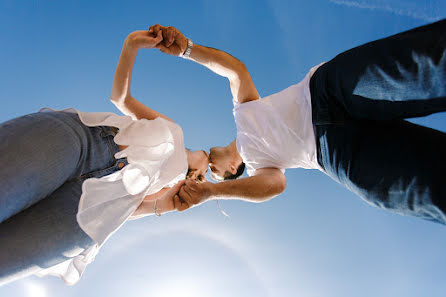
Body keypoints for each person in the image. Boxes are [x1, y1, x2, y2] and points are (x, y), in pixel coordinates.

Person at [149, 19, 446, 225]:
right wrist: (212, 192)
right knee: (425, 189)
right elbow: (275, 185)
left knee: (424, 68)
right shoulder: (260, 169)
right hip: (333, 154)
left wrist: (187, 49)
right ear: (232, 171)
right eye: (213, 176)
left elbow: (235, 71)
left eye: (209, 174)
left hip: (326, 93)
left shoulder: (243, 113)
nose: (209, 171)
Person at [0, 28, 208, 286]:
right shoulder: (175, 132)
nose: (205, 170)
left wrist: (163, 205)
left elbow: (130, 207)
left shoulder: (172, 187)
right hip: (88, 145)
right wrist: (130, 46)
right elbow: (120, 98)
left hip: (93, 213)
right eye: (207, 167)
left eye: (205, 175)